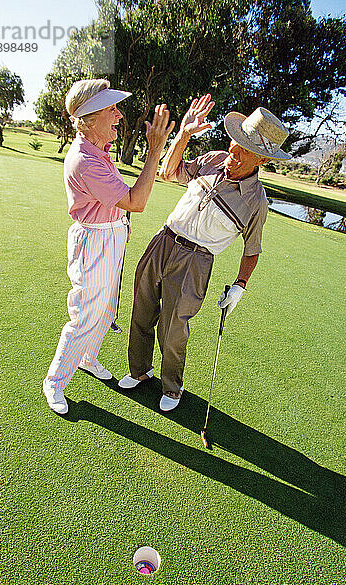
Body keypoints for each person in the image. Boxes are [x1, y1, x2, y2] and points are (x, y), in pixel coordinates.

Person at [118, 94, 291, 411]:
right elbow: (169, 173)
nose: (234, 151)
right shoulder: (212, 159)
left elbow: (252, 249)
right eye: (236, 142)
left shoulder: (256, 202)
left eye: (245, 150)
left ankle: (172, 388)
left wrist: (240, 284)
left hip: (196, 261)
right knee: (141, 310)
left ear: (263, 161)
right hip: (164, 239)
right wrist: (183, 135)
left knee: (173, 329)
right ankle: (140, 371)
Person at [43, 78, 175, 415]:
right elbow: (136, 201)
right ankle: (55, 381)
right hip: (96, 241)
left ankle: (87, 358)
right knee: (86, 313)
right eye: (111, 109)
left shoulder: (97, 151)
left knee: (106, 308)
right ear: (89, 118)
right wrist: (155, 147)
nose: (119, 115)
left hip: (111, 236)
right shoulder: (86, 161)